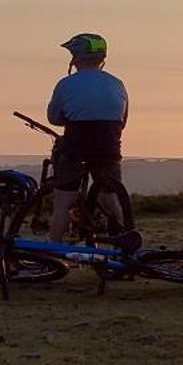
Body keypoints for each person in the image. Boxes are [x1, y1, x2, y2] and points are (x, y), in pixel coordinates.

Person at [46, 33, 130, 242]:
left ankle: (53, 249)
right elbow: (123, 121)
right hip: (108, 146)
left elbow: (54, 118)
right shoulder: (118, 84)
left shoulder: (66, 84)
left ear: (76, 58)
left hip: (75, 147)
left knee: (63, 203)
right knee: (111, 199)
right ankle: (126, 241)